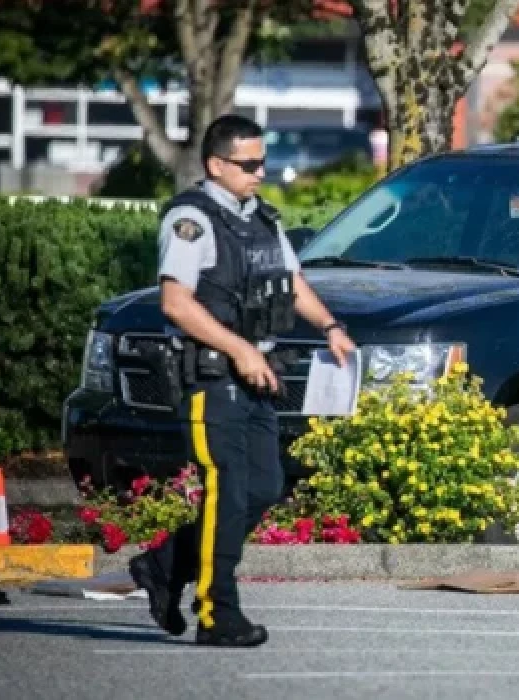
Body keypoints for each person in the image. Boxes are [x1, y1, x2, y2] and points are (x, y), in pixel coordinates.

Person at [128, 114, 356, 647]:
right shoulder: (193, 221)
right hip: (211, 378)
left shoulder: (262, 220)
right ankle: (216, 614)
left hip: (255, 379)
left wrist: (330, 326)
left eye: (263, 162)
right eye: (249, 164)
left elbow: (292, 283)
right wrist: (237, 349)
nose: (260, 172)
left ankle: (164, 567)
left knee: (263, 488)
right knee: (228, 490)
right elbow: (175, 303)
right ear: (216, 165)